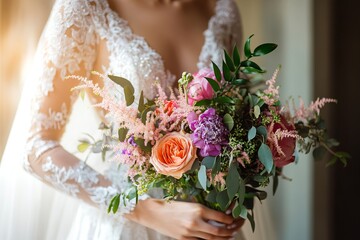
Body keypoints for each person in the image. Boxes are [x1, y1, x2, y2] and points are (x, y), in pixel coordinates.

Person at [0, 0, 277, 239]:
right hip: (126, 224)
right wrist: (145, 209)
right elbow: (35, 146)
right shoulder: (87, 8)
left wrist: (235, 186)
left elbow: (236, 118)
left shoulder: (221, 10)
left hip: (210, 223)